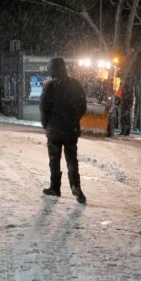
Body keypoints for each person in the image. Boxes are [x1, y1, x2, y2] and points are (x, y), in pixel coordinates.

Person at [40, 57, 87, 203]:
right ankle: (75, 186)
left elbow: (43, 107)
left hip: (54, 130)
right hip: (71, 129)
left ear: (52, 69)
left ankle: (55, 187)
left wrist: (46, 124)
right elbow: (83, 106)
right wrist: (74, 120)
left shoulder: (49, 86)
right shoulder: (75, 84)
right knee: (71, 158)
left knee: (54, 159)